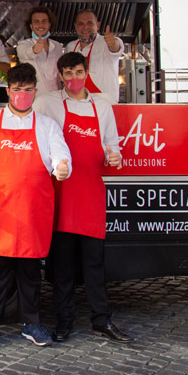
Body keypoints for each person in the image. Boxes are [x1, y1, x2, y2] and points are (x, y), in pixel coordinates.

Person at [0, 63, 71, 348]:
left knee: (30, 272)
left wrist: (63, 167)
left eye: (27, 90)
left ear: (35, 92)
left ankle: (32, 323)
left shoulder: (47, 126)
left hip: (32, 212)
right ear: (8, 91)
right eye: (16, 90)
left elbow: (62, 156)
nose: (21, 94)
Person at [34, 52, 133, 344]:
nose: (73, 79)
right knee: (62, 266)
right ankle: (64, 321)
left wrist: (115, 156)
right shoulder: (47, 103)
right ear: (60, 75)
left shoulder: (102, 106)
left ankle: (101, 320)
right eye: (68, 73)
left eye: (78, 72)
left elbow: (112, 146)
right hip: (62, 194)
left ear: (86, 71)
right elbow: (25, 124)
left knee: (94, 264)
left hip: (90, 193)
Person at [66, 10, 124, 104]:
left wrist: (113, 44)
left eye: (89, 23)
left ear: (98, 25)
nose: (85, 27)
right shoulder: (71, 46)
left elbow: (116, 48)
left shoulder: (105, 43)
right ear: (75, 26)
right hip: (77, 104)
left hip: (105, 105)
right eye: (81, 24)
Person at [16, 6, 65, 96]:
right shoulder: (23, 45)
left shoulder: (57, 46)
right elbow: (25, 54)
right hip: (34, 98)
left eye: (44, 21)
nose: (41, 25)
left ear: (49, 24)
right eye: (36, 21)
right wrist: (34, 50)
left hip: (55, 97)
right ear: (31, 26)